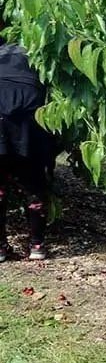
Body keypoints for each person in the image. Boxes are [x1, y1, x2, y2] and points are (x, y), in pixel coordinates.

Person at [0, 41, 55, 261]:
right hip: (29, 121)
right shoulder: (33, 56)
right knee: (33, 185)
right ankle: (37, 245)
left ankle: (1, 248)